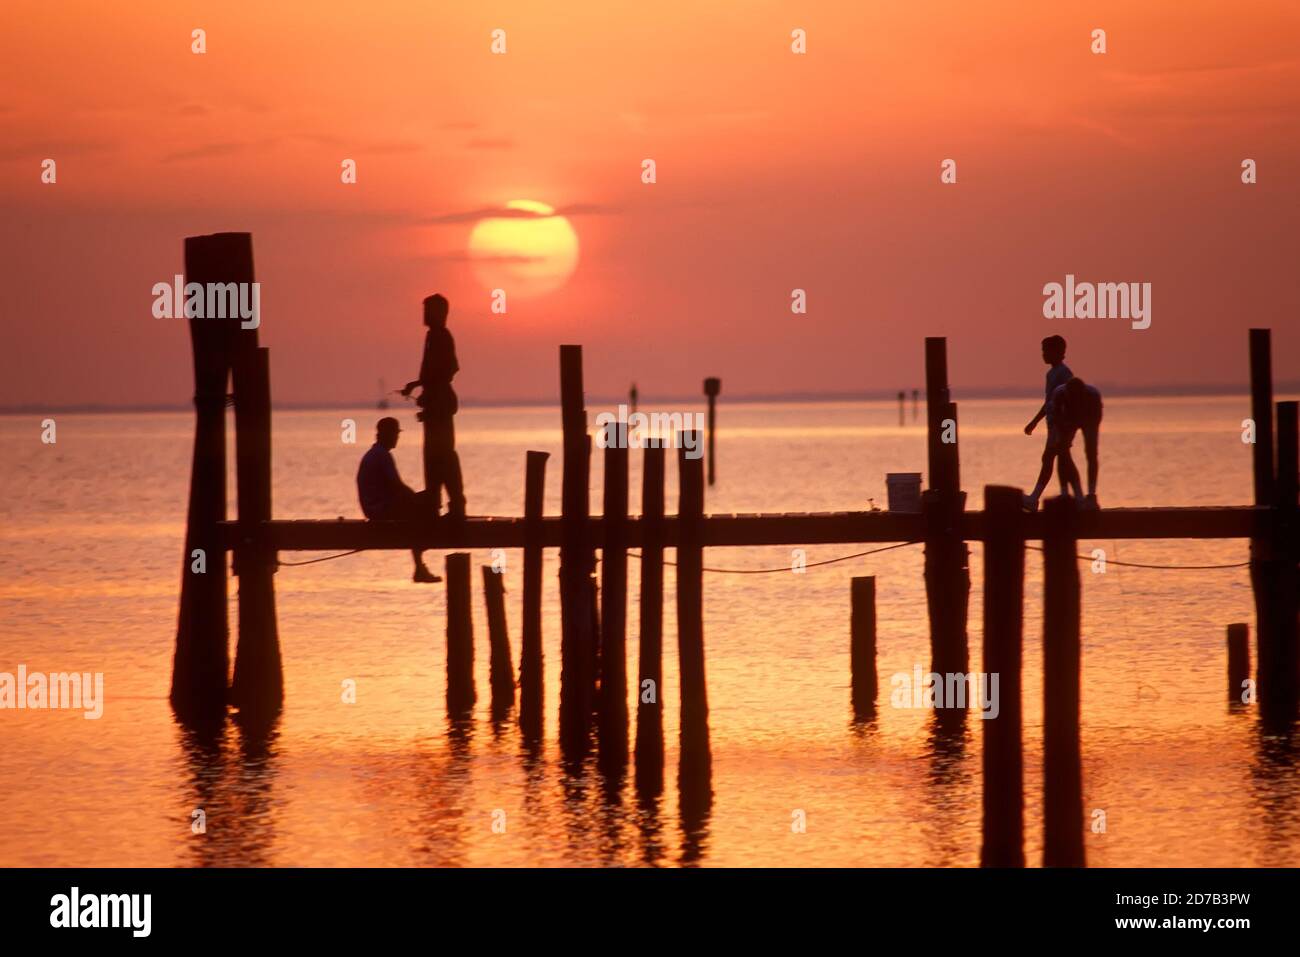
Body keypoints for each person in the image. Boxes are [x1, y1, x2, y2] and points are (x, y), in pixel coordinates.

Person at [402, 294, 467, 520]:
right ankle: (434, 504)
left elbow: (449, 369)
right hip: (434, 403)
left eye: (428, 310)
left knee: (443, 456)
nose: (425, 314)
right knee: (432, 456)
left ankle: (456, 505)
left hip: (440, 405)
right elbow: (434, 373)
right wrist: (419, 386)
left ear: (440, 313)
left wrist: (428, 390)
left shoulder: (442, 336)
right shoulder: (432, 336)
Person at [356, 417, 440, 583]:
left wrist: (415, 498)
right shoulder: (382, 456)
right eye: (395, 434)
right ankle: (419, 565)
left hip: (376, 506)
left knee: (422, 503)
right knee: (427, 505)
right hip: (379, 509)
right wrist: (418, 499)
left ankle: (419, 565)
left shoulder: (375, 454)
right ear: (385, 434)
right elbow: (397, 486)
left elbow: (395, 489)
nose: (397, 438)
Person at [1022, 335, 1073, 512]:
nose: (1043, 354)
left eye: (1046, 351)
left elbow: (1069, 399)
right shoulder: (1051, 373)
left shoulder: (1064, 373)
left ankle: (1035, 498)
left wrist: (1065, 424)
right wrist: (1035, 422)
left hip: (1060, 424)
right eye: (1042, 351)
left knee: (1052, 457)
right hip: (1053, 423)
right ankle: (1066, 494)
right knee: (1055, 458)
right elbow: (1048, 402)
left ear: (1058, 352)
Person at [1051, 376, 1104, 510]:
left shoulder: (1093, 395)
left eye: (1077, 397)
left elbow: (1097, 418)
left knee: (1091, 453)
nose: (1074, 400)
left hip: (1089, 418)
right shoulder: (1059, 394)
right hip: (1068, 417)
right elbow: (1055, 417)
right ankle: (1065, 493)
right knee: (1061, 450)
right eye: (1072, 397)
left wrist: (1086, 425)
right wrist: (1065, 428)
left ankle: (1091, 494)